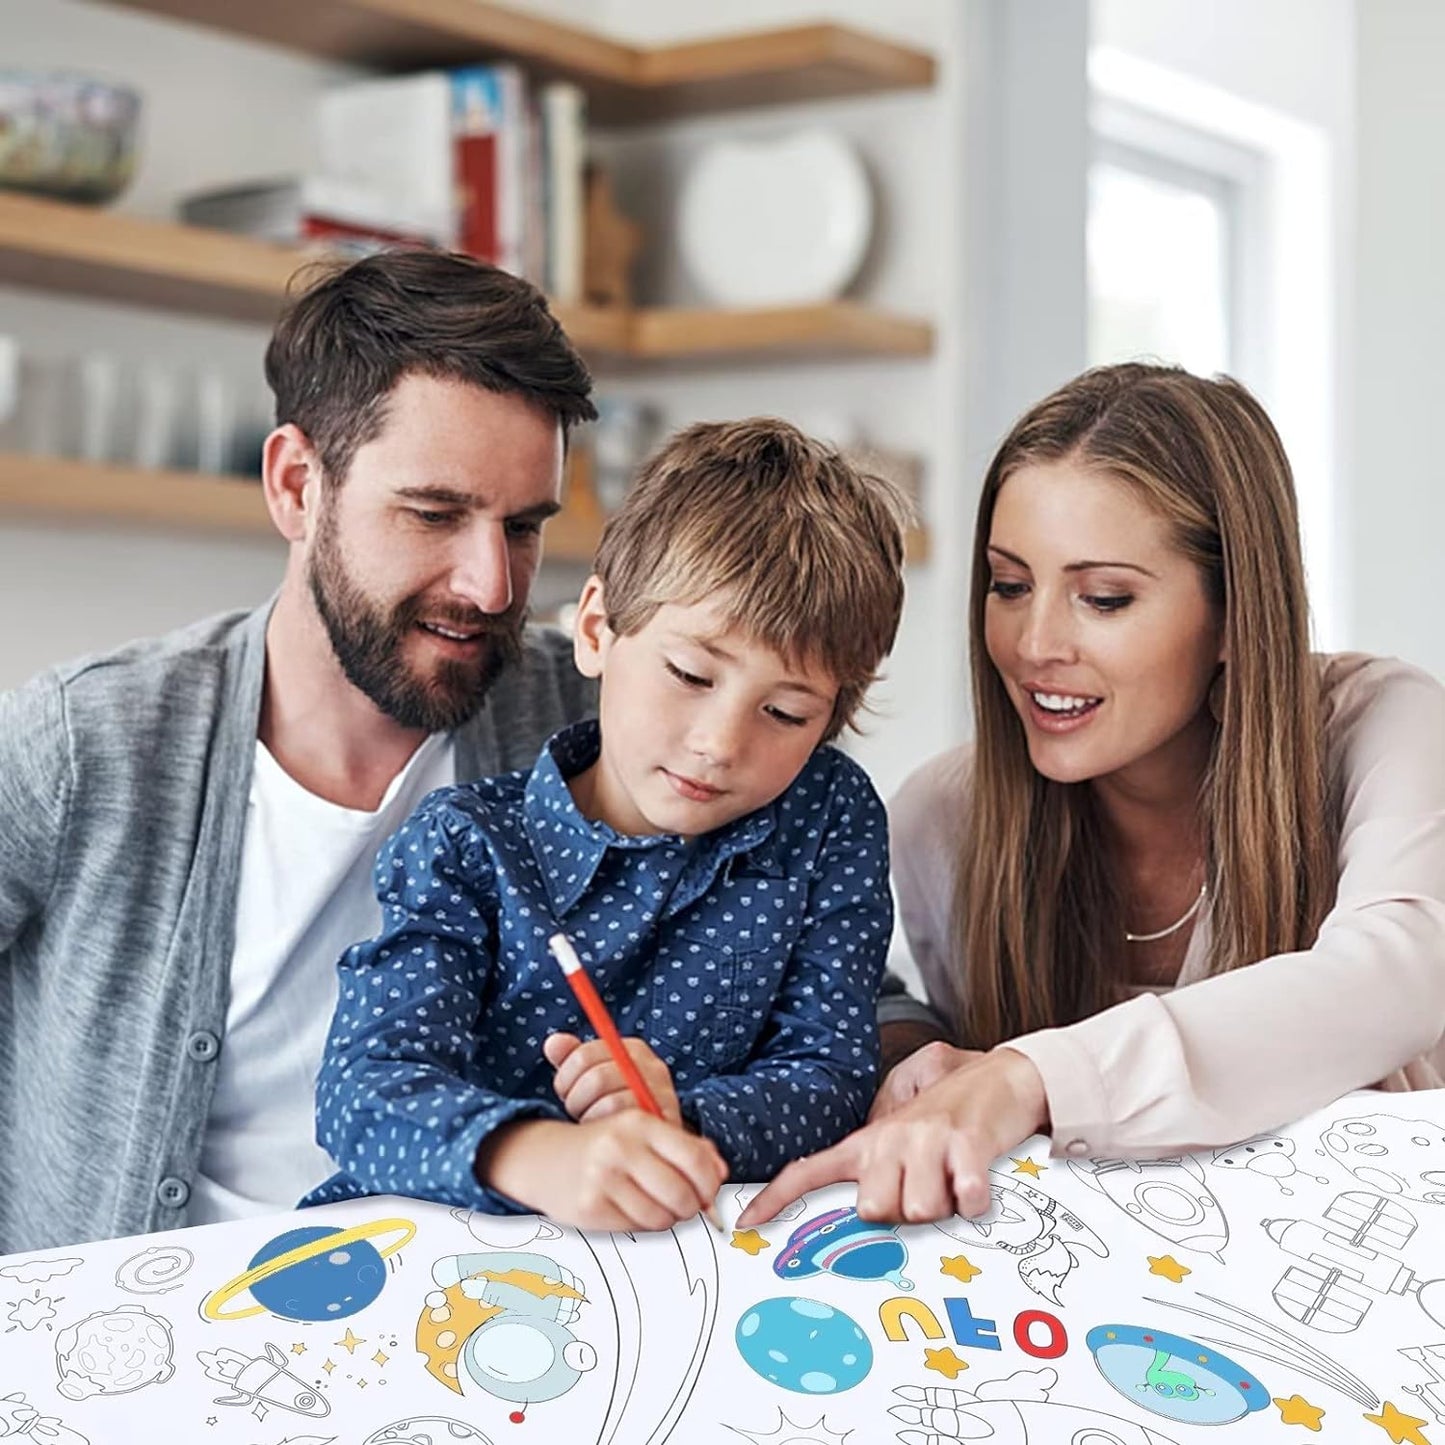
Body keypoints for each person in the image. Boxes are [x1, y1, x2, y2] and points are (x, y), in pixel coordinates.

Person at [742, 362, 1445, 1229]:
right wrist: (920, 1057)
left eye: (1103, 598)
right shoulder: (942, 823)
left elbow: (1392, 980)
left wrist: (1025, 1076)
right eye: (1008, 585)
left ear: (1232, 614)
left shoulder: (1385, 727)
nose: (1035, 643)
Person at [0, 249, 599, 1252]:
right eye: (434, 513)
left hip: (469, 1344)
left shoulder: (582, 724)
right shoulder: (89, 744)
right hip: (141, 1362)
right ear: (294, 485)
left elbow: (820, 973)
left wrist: (919, 1061)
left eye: (523, 526)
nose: (492, 584)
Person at [304, 418, 910, 1233]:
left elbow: (830, 1074)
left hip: (694, 1262)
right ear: (594, 629)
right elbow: (364, 1088)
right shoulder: (466, 846)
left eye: (785, 711)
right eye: (689, 674)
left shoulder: (826, 816)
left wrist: (682, 1118)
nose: (719, 743)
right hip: (440, 1253)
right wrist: (543, 1156)